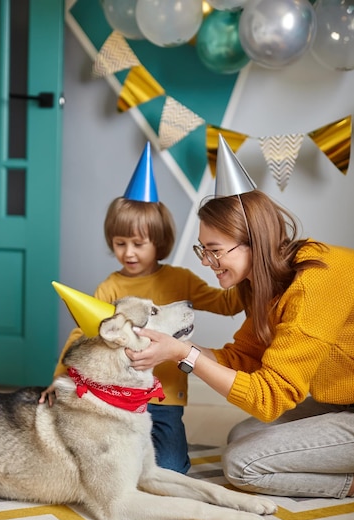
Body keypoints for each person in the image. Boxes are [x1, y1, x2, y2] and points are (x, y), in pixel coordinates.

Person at [126, 135, 354, 499]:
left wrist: (184, 355)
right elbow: (243, 358)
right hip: (340, 399)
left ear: (253, 241)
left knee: (242, 464)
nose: (205, 262)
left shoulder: (315, 281)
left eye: (214, 251)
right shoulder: (268, 281)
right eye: (203, 250)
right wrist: (174, 347)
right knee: (242, 435)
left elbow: (270, 397)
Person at [40, 141, 243, 474]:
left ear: (158, 241)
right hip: (115, 396)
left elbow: (226, 303)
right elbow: (83, 334)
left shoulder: (180, 279)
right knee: (113, 466)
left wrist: (246, 278)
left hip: (163, 399)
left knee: (171, 469)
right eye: (120, 244)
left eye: (138, 243)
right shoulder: (110, 287)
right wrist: (61, 377)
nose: (128, 253)